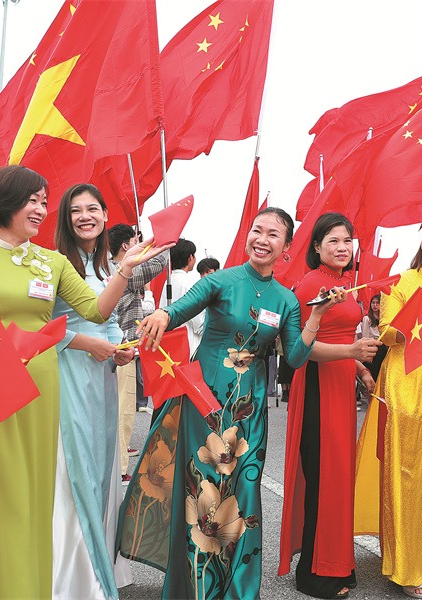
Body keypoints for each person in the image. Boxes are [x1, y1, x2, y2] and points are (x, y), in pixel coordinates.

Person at [0, 166, 170, 598]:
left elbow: (97, 312)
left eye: (45, 201)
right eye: (33, 200)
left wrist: (123, 270)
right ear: (4, 201)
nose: (42, 209)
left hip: (43, 394)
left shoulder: (53, 261)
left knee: (36, 499)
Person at [120, 207, 343, 599]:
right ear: (248, 237)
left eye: (274, 234)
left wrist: (316, 317)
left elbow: (293, 357)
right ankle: (197, 587)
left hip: (250, 413)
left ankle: (239, 590)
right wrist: (160, 313)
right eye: (257, 230)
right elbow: (179, 309)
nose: (262, 238)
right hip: (204, 403)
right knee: (202, 491)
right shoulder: (221, 281)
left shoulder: (287, 300)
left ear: (286, 247)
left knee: (243, 496)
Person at [354, 216, 422, 599]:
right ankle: (402, 567)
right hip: (403, 381)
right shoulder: (401, 283)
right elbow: (386, 332)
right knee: (405, 470)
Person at [278, 212, 379, 599]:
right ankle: (315, 573)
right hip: (317, 385)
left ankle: (337, 563)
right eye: (333, 241)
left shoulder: (344, 283)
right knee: (322, 477)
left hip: (339, 384)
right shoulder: (311, 284)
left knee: (338, 477)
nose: (342, 248)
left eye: (347, 241)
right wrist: (351, 352)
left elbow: (340, 336)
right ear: (317, 246)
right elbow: (299, 350)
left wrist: (358, 369)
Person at [51, 184, 142, 598]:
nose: (85, 216)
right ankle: (75, 576)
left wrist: (120, 347)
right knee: (76, 467)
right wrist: (84, 343)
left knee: (105, 466)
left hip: (103, 374)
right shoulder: (52, 264)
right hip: (68, 370)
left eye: (92, 209)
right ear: (65, 220)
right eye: (75, 211)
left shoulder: (107, 268)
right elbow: (40, 327)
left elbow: (107, 321)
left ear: (106, 215)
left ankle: (100, 560)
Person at [109, 223, 169, 480]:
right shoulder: (124, 273)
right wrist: (166, 238)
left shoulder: (106, 270)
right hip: (121, 352)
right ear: (126, 245)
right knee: (122, 413)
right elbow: (158, 263)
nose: (141, 243)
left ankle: (116, 464)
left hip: (111, 350)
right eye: (136, 239)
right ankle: (120, 468)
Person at [160, 238, 205, 354]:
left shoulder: (168, 282)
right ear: (190, 258)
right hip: (188, 346)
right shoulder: (190, 284)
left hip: (169, 345)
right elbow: (199, 324)